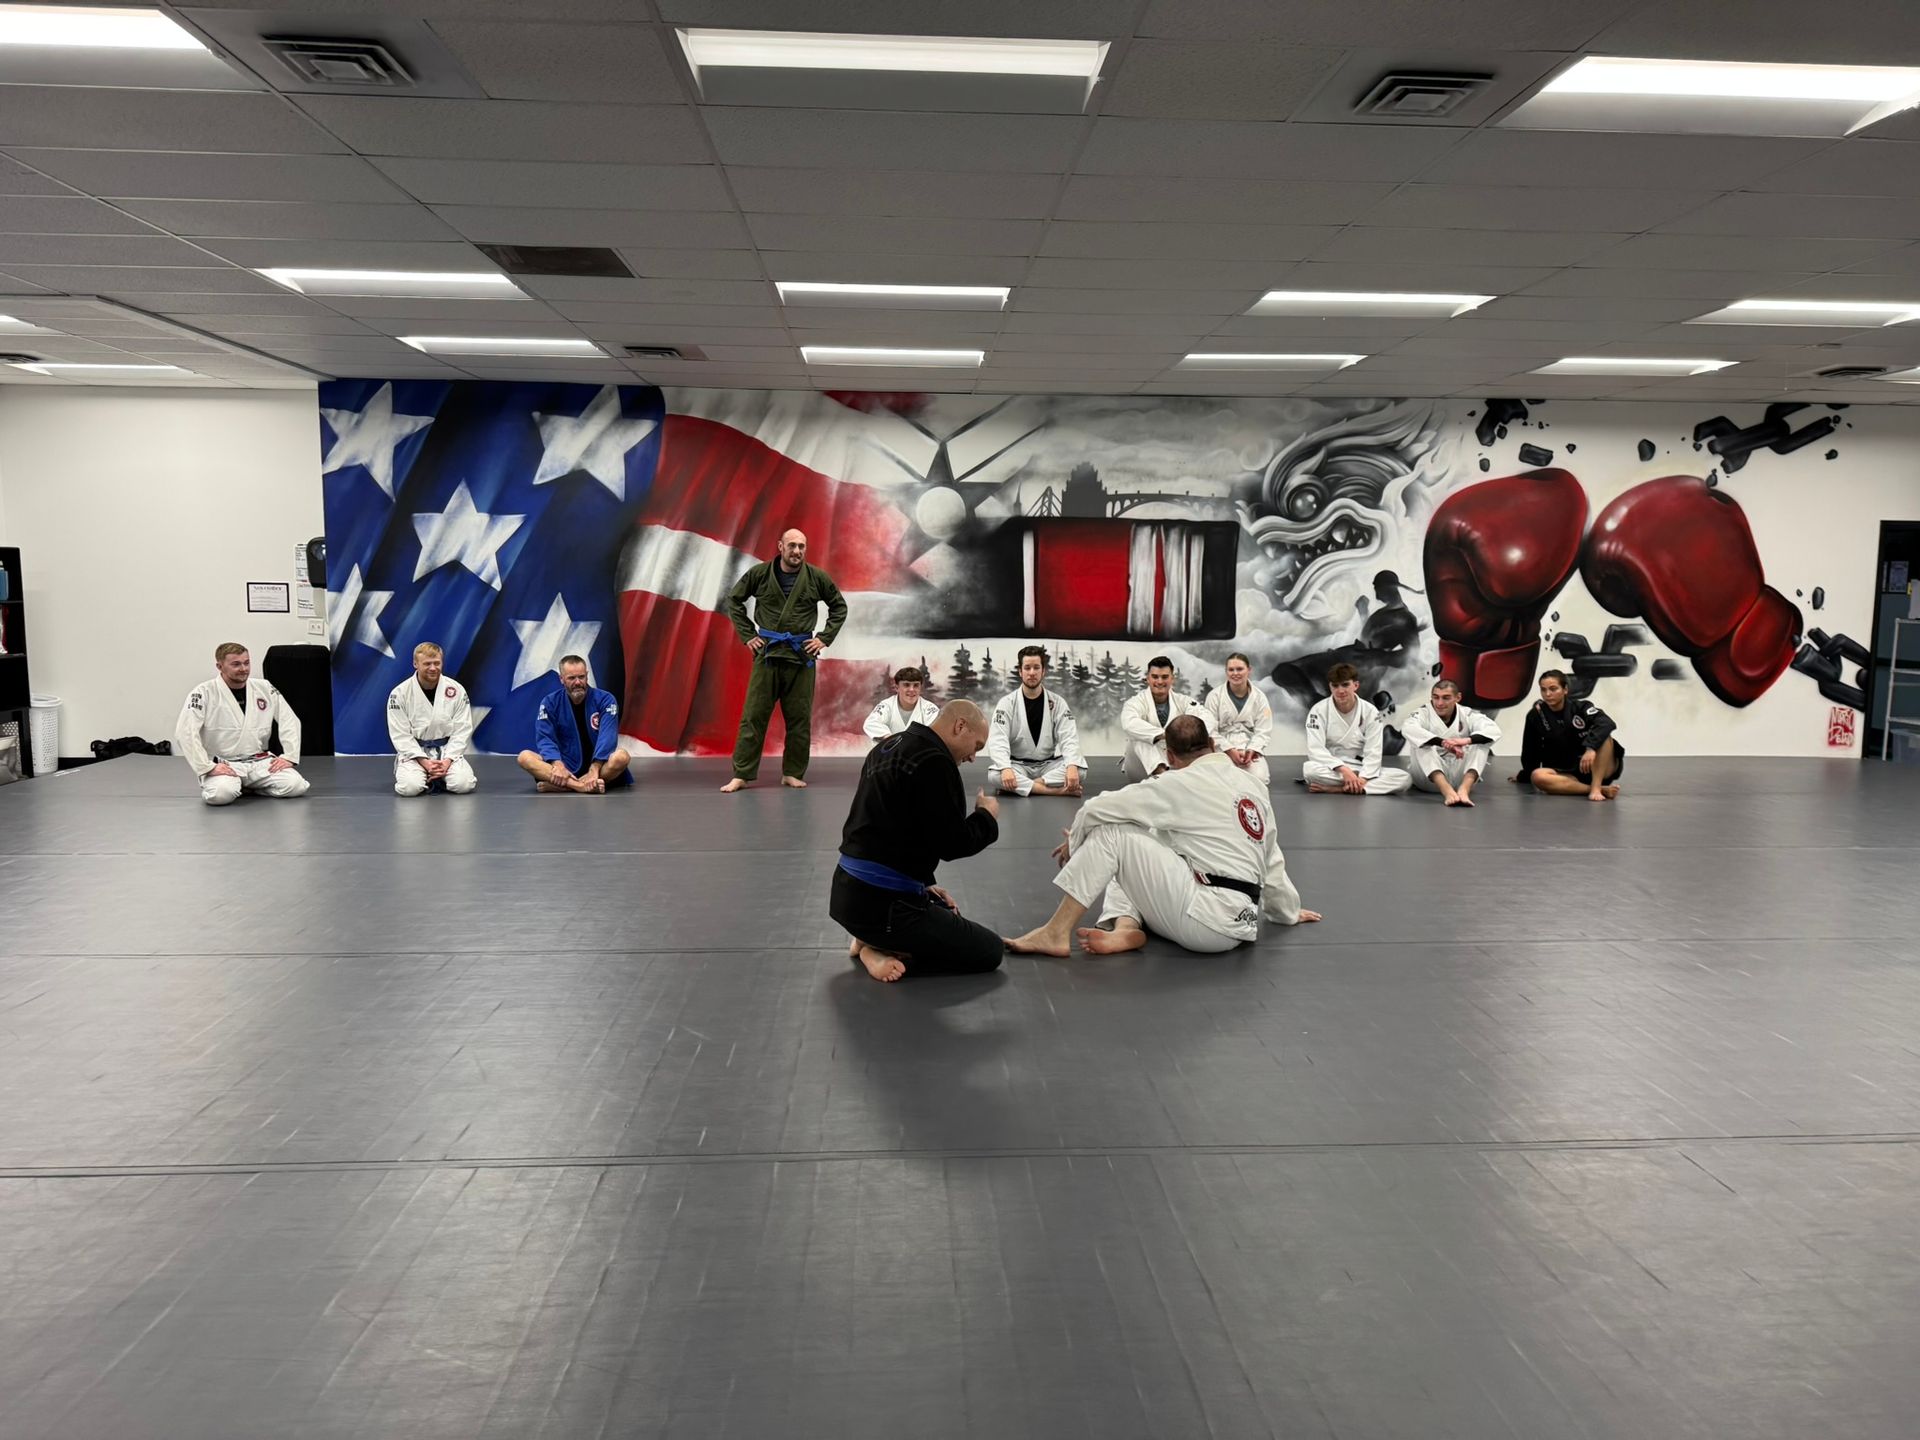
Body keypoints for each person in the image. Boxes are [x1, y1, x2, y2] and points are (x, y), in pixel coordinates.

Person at [1007, 715, 1320, 957]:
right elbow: (1272, 859)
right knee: (1143, 834)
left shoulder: (1177, 784)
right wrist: (1287, 912)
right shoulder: (1253, 786)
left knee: (1113, 833)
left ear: (1169, 756)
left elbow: (1094, 809)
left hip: (1204, 924)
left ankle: (1055, 933)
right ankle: (1126, 926)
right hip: (1242, 922)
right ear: (1212, 744)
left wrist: (1076, 844)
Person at [830, 700, 1005, 982]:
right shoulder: (935, 760)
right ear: (960, 726)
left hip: (845, 895)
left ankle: (866, 938)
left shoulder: (885, 747)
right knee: (990, 951)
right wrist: (986, 816)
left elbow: (889, 831)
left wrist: (924, 884)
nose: (973, 756)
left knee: (945, 909)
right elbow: (953, 844)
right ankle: (875, 948)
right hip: (886, 908)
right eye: (977, 745)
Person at [720, 528, 848, 792]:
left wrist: (824, 638)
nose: (797, 551)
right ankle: (742, 774)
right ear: (780, 546)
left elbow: (839, 606)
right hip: (767, 654)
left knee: (799, 719)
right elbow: (734, 601)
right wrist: (748, 636)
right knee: (753, 717)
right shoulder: (759, 574)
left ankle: (792, 772)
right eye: (792, 546)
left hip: (801, 657)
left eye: (802, 546)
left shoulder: (816, 577)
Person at [174, 642, 310, 805]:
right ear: (220, 666)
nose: (244, 668)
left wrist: (289, 756)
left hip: (259, 762)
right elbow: (185, 732)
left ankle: (250, 787)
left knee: (296, 786)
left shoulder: (264, 687)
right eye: (236, 664)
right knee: (220, 795)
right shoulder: (203, 692)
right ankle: (237, 786)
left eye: (247, 663)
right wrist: (207, 767)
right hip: (224, 764)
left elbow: (289, 720)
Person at [516, 655, 631, 793]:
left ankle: (565, 787)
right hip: (565, 767)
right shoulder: (550, 702)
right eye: (571, 678)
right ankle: (581, 786)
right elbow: (545, 738)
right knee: (524, 757)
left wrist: (595, 768)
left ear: (587, 676)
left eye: (581, 677)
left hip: (599, 767)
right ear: (561, 679)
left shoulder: (606, 700)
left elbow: (608, 737)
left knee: (622, 757)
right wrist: (557, 765)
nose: (577, 682)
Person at [987, 645, 1086, 796]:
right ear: (1020, 671)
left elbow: (1069, 737)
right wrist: (1006, 768)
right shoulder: (1006, 703)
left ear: (1043, 671)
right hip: (1017, 765)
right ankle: (1055, 791)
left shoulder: (1057, 703)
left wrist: (1072, 764)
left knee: (1080, 770)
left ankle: (1027, 786)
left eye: (1036, 667)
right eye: (1027, 668)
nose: (1032, 673)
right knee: (995, 775)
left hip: (1048, 766)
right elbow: (997, 739)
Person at [1513, 669, 1625, 801]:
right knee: (1538, 776)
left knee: (1605, 737)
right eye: (1543, 690)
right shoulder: (1536, 715)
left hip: (1598, 767)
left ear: (1565, 689)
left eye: (1553, 689)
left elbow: (1607, 723)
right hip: (1570, 772)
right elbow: (1530, 749)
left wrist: (1590, 748)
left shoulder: (1581, 708)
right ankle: (1597, 789)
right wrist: (1525, 774)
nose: (1547, 694)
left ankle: (1596, 788)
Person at [1302, 662, 1411, 795]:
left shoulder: (1370, 712)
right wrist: (1344, 770)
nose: (1340, 690)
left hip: (1360, 767)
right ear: (1330, 687)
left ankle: (1340, 789)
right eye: (1335, 686)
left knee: (1404, 778)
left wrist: (1363, 778)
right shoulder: (1318, 711)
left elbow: (1373, 751)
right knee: (1309, 769)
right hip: (1333, 767)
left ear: (1355, 685)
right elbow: (1315, 749)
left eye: (1345, 684)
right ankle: (1358, 786)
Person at [386, 641, 477, 796]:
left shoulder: (456, 690)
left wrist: (447, 761)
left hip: (447, 750)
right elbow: (400, 734)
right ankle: (423, 773)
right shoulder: (399, 693)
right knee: (410, 788)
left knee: (464, 785)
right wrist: (425, 762)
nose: (433, 668)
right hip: (415, 753)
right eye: (427, 664)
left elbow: (462, 729)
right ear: (415, 663)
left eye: (437, 663)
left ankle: (440, 775)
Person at [1401, 678, 1500, 807]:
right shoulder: (1422, 713)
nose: (1439, 703)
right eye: (1435, 697)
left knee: (1480, 743)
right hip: (1428, 780)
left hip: (1459, 776)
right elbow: (1408, 728)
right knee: (1421, 743)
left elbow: (1493, 730)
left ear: (1458, 697)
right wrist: (1443, 742)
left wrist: (1466, 740)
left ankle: (1464, 790)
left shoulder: (1466, 713)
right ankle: (1447, 791)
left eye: (1446, 698)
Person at [1119, 655, 1211, 782]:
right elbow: (1129, 723)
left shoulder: (1183, 701)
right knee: (1137, 737)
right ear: (1148, 679)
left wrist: (1187, 735)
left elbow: (1206, 718)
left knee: (1204, 733)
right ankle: (1163, 778)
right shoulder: (1135, 703)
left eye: (1165, 677)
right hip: (1139, 768)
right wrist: (1167, 735)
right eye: (1155, 677)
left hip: (1174, 764)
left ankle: (1202, 778)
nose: (1160, 681)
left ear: (1172, 678)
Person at [1203, 651, 1274, 786]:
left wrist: (1252, 749)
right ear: (1226, 672)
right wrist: (1229, 749)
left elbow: (1264, 730)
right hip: (1222, 746)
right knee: (1219, 780)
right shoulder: (1214, 696)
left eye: (1240, 669)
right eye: (1231, 670)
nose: (1235, 673)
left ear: (1249, 670)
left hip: (1249, 746)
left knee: (1260, 779)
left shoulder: (1260, 697)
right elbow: (1209, 730)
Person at [862, 665, 939, 741]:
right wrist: (889, 737)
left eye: (916, 685)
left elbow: (937, 730)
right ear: (897, 688)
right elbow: (870, 723)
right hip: (891, 751)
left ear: (920, 688)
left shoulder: (929, 708)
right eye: (906, 685)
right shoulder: (886, 705)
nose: (911, 689)